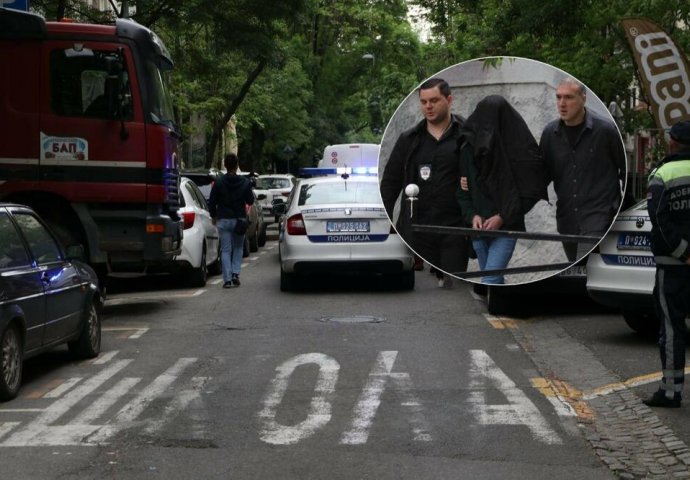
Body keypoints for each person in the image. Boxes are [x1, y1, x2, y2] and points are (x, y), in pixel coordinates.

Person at [379, 78, 469, 287]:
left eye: (434, 100)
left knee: (452, 287)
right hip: (418, 229)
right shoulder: (409, 139)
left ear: (449, 100)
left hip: (454, 229)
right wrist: (387, 223)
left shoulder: (466, 134)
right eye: (424, 102)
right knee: (420, 291)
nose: (428, 106)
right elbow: (391, 183)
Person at [457, 95, 548, 284]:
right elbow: (462, 191)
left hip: (507, 227)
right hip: (478, 230)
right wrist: (472, 216)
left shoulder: (521, 152)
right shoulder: (468, 148)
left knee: (490, 278)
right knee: (490, 279)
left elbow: (530, 191)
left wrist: (502, 217)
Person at [539, 77, 625, 262]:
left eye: (569, 97)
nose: (562, 103)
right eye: (558, 97)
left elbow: (625, 171)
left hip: (599, 216)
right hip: (568, 219)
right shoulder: (550, 134)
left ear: (583, 99)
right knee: (579, 273)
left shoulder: (605, 131)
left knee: (586, 268)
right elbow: (540, 176)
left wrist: (620, 209)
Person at [643, 120, 690, 408]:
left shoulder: (662, 174)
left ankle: (671, 391)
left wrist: (684, 252)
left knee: (672, 327)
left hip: (672, 265)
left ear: (672, 142)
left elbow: (660, 221)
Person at [208, 153, 255, 288]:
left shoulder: (219, 182)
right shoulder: (244, 182)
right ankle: (235, 273)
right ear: (236, 165)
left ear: (225, 166)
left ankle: (227, 279)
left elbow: (212, 201)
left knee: (225, 249)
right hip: (239, 219)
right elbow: (250, 200)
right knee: (239, 247)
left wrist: (214, 216)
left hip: (223, 219)